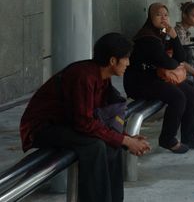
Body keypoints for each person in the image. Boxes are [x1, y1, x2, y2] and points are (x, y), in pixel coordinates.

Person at [20, 33, 151, 202]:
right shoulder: (83, 76)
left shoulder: (102, 77)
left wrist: (124, 138)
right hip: (41, 128)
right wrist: (125, 141)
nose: (128, 63)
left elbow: (98, 119)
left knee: (112, 145)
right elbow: (84, 123)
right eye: (126, 58)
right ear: (113, 61)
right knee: (94, 145)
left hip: (68, 124)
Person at [124, 3, 194, 154]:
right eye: (158, 15)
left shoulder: (162, 32)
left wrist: (174, 37)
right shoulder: (147, 37)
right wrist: (174, 60)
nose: (163, 18)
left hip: (156, 77)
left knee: (190, 92)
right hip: (139, 82)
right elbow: (169, 63)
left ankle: (190, 137)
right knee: (178, 97)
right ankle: (167, 139)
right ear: (151, 17)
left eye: (166, 14)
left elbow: (181, 57)